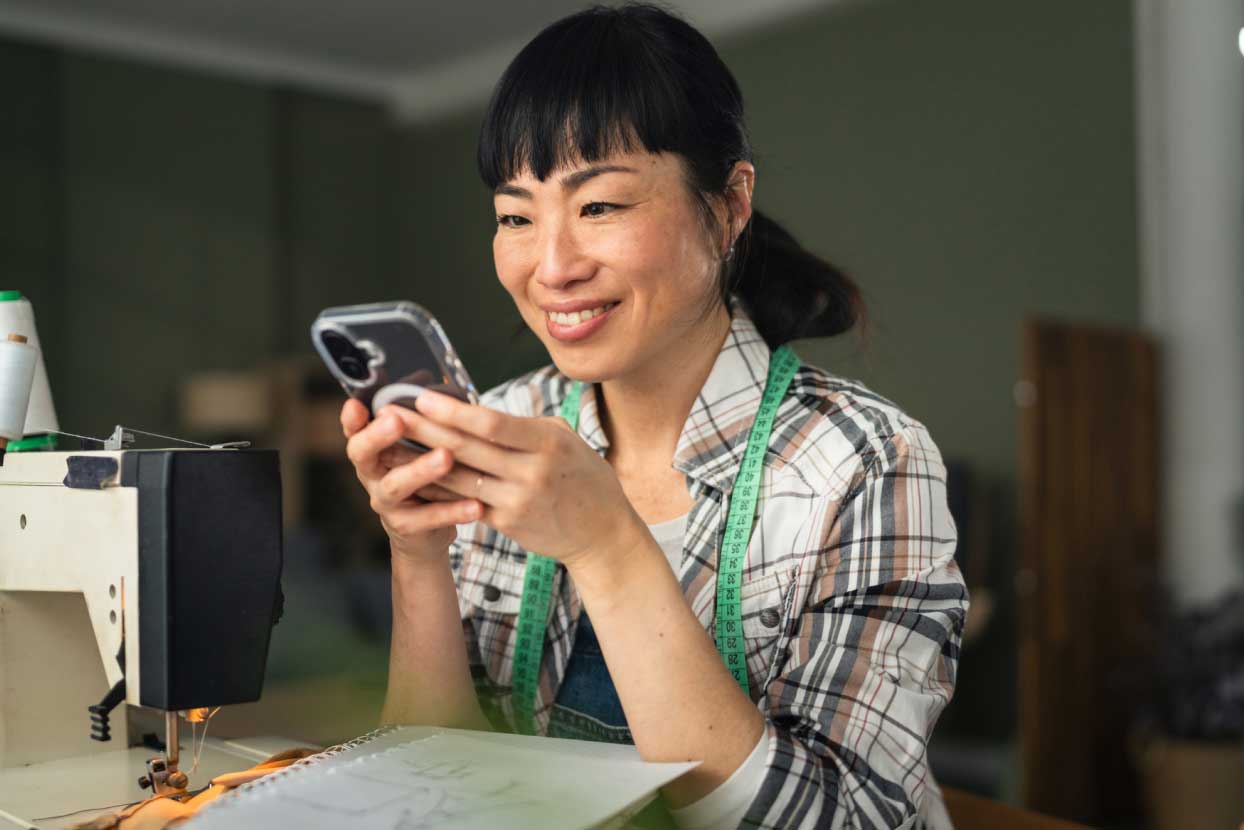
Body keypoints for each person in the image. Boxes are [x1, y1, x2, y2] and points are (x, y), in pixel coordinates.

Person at [341, 5, 967, 828]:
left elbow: (839, 820)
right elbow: (439, 783)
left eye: (599, 207)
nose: (553, 267)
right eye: (516, 216)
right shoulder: (503, 424)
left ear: (730, 205)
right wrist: (418, 553)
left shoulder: (865, 461)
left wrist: (607, 544)